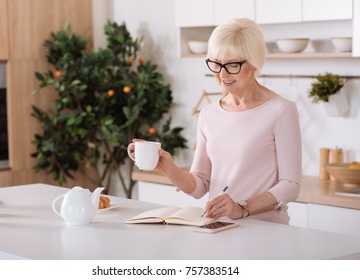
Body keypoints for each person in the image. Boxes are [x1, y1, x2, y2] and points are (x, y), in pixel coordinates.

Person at [129, 18, 302, 224]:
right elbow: (200, 185)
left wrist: (242, 208)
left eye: (232, 65)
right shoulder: (209, 113)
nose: (222, 74)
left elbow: (291, 185)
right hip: (219, 227)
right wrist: (168, 168)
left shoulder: (281, 110)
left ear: (254, 63)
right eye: (216, 64)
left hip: (266, 229)